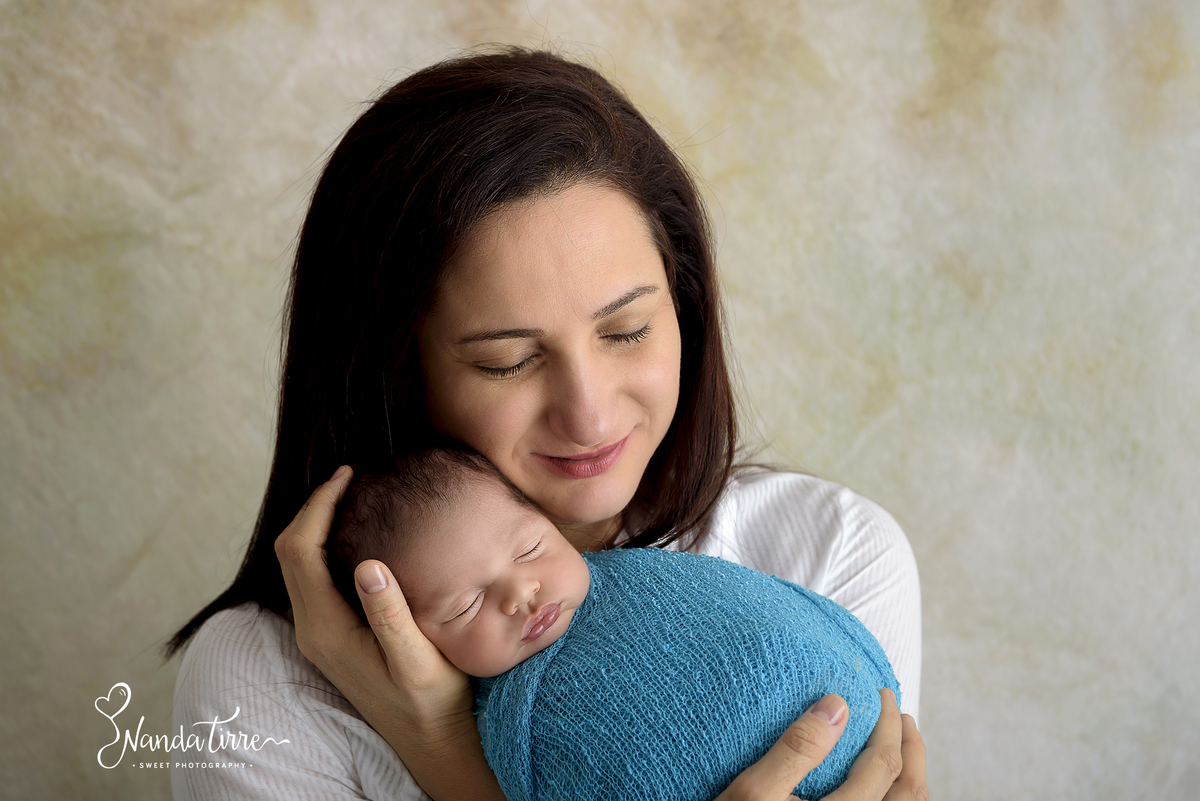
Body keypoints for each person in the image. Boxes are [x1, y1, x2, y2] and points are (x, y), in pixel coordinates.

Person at [167, 47, 925, 801]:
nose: (590, 413)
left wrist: (445, 751)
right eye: (508, 361)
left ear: (684, 307)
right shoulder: (261, 686)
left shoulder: (831, 549)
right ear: (393, 371)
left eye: (627, 330)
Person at [325, 448, 902, 801]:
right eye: (465, 607)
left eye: (530, 549)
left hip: (858, 731)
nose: (520, 594)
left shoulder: (655, 573)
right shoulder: (516, 726)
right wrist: (443, 738)